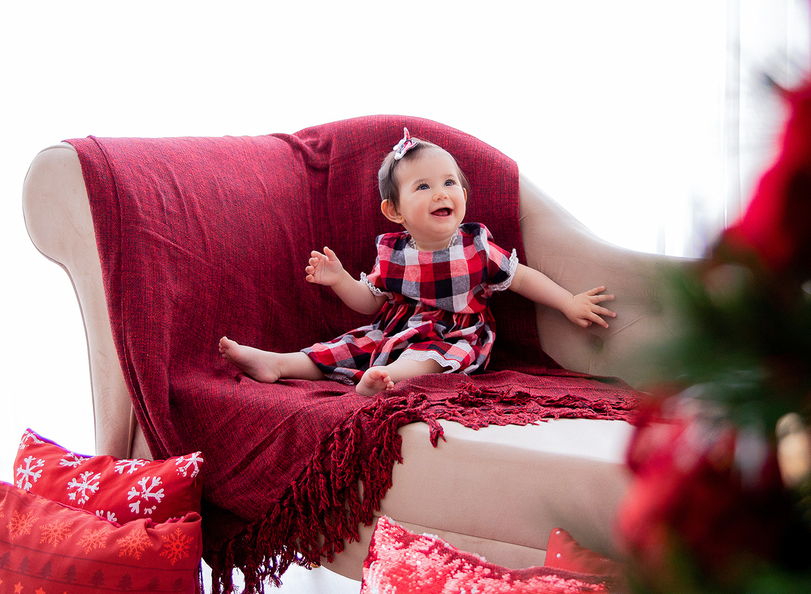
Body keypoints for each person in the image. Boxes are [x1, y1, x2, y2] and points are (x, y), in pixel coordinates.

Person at [219, 128, 615, 396]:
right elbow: (372, 302)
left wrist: (568, 302)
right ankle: (278, 363)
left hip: (454, 335)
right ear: (395, 211)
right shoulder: (394, 253)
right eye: (423, 186)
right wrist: (340, 280)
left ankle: (386, 379)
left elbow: (522, 278)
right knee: (348, 346)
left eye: (449, 183)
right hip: (397, 327)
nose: (441, 193)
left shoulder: (475, 246)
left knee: (429, 360)